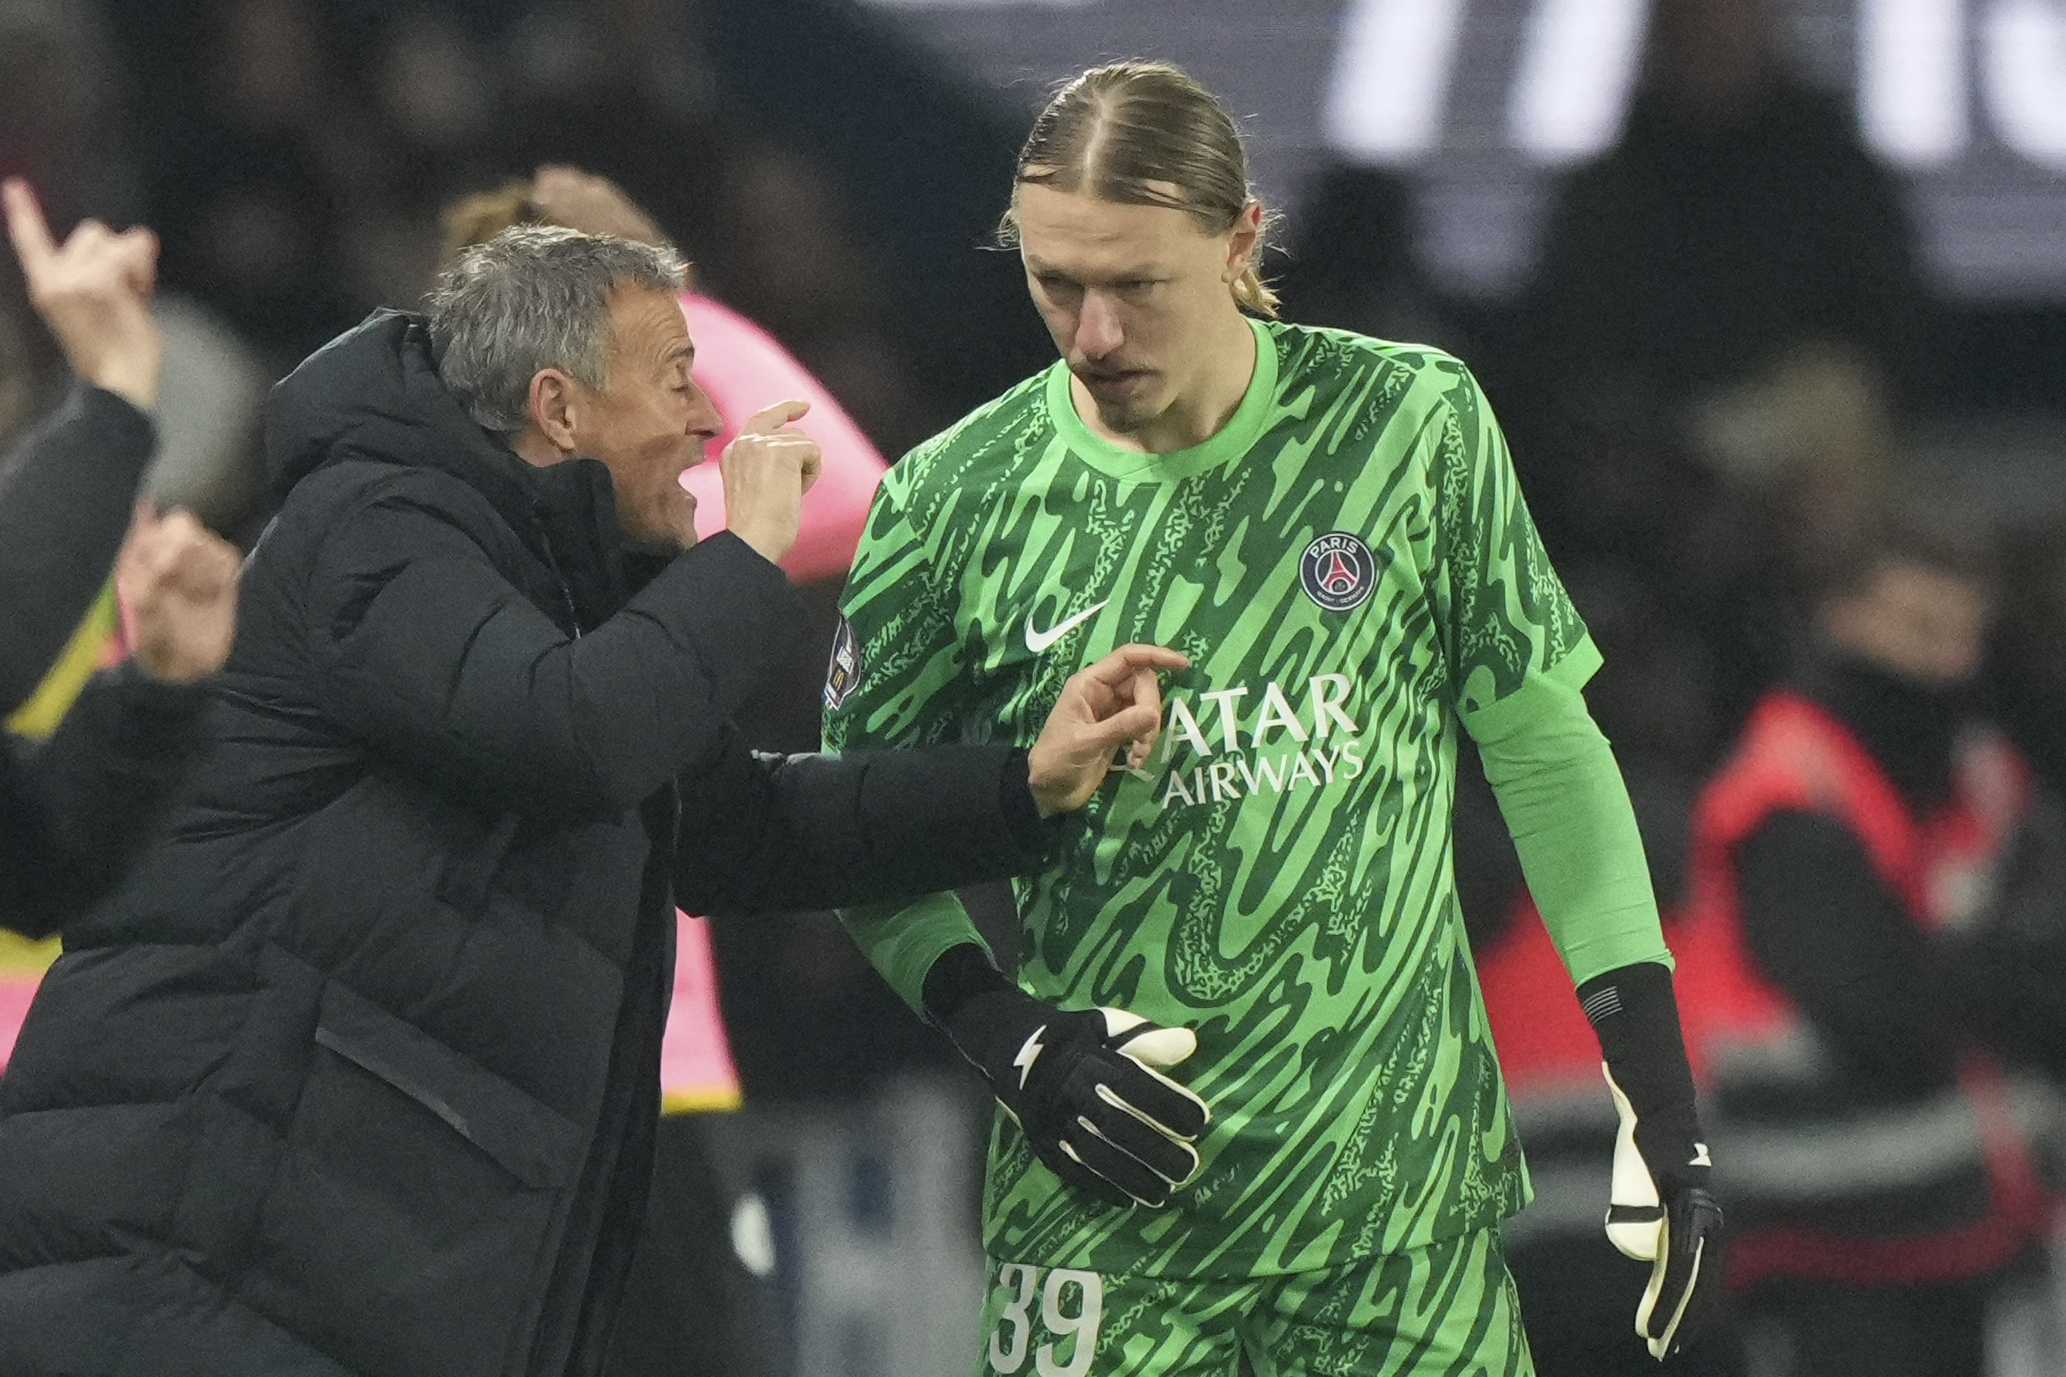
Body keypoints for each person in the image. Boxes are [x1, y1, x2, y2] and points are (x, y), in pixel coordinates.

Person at [0, 224, 1181, 1377]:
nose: (707, 422)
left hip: (325, 1276)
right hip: (192, 1257)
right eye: (676, 379)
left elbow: (744, 831)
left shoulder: (571, 610)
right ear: (559, 409)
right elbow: (573, 737)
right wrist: (743, 556)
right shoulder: (377, 526)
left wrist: (1018, 784)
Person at [827, 61, 1721, 1376]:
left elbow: (1544, 750)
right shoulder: (947, 506)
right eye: (1055, 282)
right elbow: (860, 835)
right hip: (1104, 1230)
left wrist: (1659, 1094)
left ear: (1239, 243)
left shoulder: (1410, 426)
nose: (1091, 332)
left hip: (1394, 1222)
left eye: (1136, 284)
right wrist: (1004, 1034)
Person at [1674, 518, 2064, 1377]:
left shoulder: (1977, 770)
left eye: (1967, 633)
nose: (1950, 662)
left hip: (1986, 1233)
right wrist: (2003, 980)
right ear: (1841, 617)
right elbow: (1883, 1012)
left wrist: (1974, 975)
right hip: (1832, 1246)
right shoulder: (1788, 788)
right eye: (1921, 627)